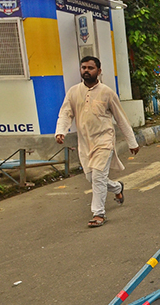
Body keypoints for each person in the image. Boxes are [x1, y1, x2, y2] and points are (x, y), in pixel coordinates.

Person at [55, 56, 139, 228]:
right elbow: (65, 113)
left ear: (99, 71)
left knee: (99, 177)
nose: (86, 71)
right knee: (91, 178)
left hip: (104, 141)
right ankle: (117, 188)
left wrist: (132, 142)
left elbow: (120, 118)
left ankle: (98, 213)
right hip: (85, 143)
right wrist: (60, 131)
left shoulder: (107, 92)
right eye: (83, 67)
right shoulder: (73, 92)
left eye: (90, 68)